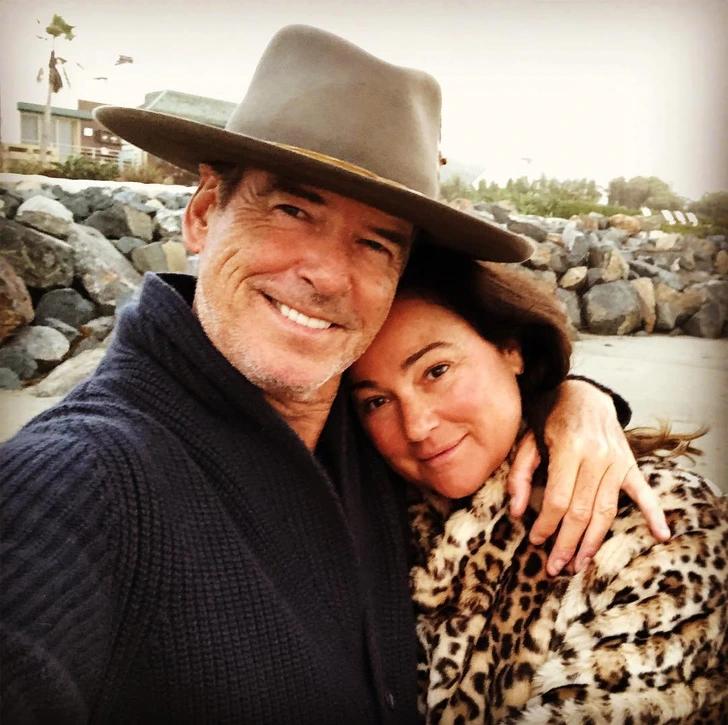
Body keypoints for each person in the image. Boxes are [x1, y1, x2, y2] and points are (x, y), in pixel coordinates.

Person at [2, 25, 666, 723]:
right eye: (292, 209)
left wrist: (571, 402)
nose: (326, 274)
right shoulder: (80, 480)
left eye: (375, 243)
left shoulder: (372, 431)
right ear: (201, 213)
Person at [348, 247, 728, 723]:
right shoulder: (369, 515)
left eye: (437, 371)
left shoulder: (661, 524)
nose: (417, 425)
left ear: (512, 350)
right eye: (377, 401)